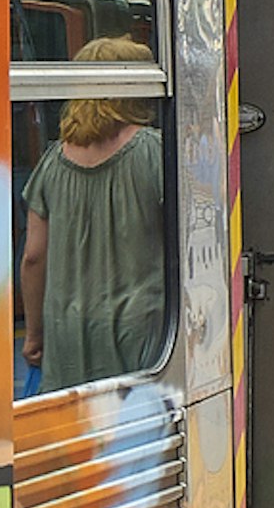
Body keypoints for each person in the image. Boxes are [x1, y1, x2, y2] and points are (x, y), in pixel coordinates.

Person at [19, 39, 169, 393]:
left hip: (67, 331)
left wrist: (34, 334)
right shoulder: (156, 152)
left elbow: (33, 256)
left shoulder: (52, 162)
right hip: (141, 331)